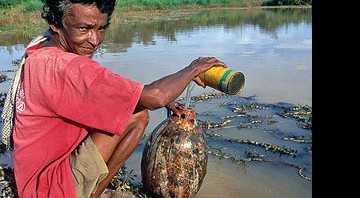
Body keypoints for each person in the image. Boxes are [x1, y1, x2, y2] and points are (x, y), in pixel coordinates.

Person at [2, 0, 227, 197]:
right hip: (51, 188)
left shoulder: (41, 51)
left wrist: (150, 97)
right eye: (85, 28)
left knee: (127, 104)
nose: (95, 40)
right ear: (56, 23)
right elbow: (155, 96)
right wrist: (192, 69)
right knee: (137, 115)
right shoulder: (67, 67)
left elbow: (106, 88)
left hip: (33, 180)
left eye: (101, 28)